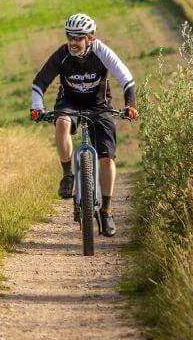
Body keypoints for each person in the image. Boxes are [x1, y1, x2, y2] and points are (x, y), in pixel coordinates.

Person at [29, 13, 138, 237]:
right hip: (69, 103)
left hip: (99, 105)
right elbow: (40, 82)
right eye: (70, 36)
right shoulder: (62, 55)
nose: (73, 42)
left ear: (90, 38)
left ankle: (106, 211)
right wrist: (37, 106)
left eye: (78, 37)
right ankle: (68, 175)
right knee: (61, 123)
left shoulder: (101, 52)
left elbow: (126, 78)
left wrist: (130, 104)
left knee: (107, 159)